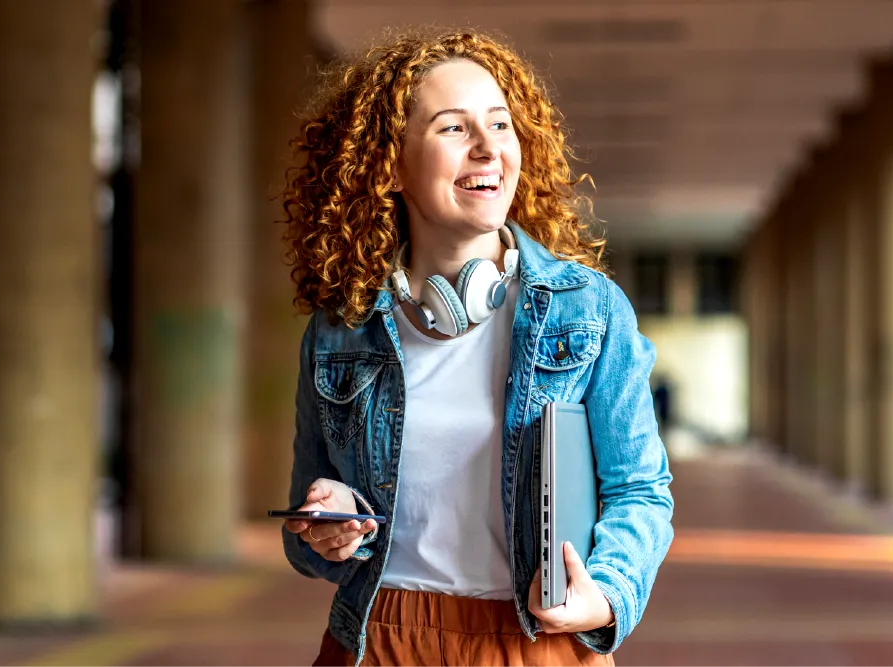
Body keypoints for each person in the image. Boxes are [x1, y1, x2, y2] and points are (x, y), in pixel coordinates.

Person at [277, 29, 675, 667]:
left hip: (536, 641)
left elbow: (640, 491)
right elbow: (304, 535)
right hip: (379, 639)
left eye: (501, 125)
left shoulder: (590, 310)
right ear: (389, 163)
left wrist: (603, 597)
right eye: (454, 129)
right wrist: (333, 527)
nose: (490, 148)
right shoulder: (339, 329)